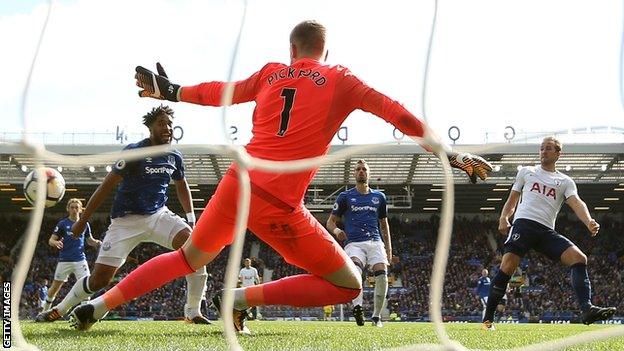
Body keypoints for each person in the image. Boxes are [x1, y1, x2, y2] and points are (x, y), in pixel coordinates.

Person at [70, 20, 492, 333]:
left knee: (188, 258)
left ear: (291, 48)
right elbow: (396, 113)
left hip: (238, 181)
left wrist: (173, 90)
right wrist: (448, 153)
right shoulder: (341, 78)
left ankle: (101, 304)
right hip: (277, 202)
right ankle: (238, 298)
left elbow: (221, 91)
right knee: (348, 284)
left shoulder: (272, 72)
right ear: (324, 51)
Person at [36, 105, 210, 325]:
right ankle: (59, 310)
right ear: (150, 128)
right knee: (100, 279)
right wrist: (83, 220)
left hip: (158, 215)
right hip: (125, 221)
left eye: (169, 124)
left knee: (197, 249)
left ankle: (193, 312)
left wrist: (191, 219)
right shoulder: (134, 152)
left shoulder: (174, 155)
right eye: (161, 123)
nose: (167, 128)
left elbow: (181, 184)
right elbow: (105, 186)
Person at [482, 136, 616, 330]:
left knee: (579, 258)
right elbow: (512, 200)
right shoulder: (527, 172)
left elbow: (577, 203)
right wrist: (504, 218)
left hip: (545, 231)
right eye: (542, 148)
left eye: (548, 148)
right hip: (523, 225)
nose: (544, 151)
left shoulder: (565, 181)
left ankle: (587, 309)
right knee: (508, 267)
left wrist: (589, 221)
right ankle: (488, 320)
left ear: (558, 153)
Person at [326, 159, 391, 327]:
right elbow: (330, 222)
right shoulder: (345, 196)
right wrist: (337, 231)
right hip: (354, 243)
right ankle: (358, 308)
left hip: (375, 241)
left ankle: (376, 317)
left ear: (369, 174)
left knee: (382, 277)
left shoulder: (379, 197)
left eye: (364, 169)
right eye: (358, 169)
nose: (361, 171)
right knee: (355, 272)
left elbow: (384, 224)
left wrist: (389, 250)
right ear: (354, 174)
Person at [41, 198, 101, 312]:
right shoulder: (63, 224)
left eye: (76, 207)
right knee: (55, 288)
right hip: (65, 260)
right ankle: (44, 311)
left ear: (81, 209)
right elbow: (51, 240)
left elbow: (89, 240)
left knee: (86, 288)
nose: (74, 209)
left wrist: (97, 243)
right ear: (68, 209)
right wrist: (55, 242)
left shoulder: (85, 224)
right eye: (72, 207)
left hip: (80, 260)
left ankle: (84, 315)